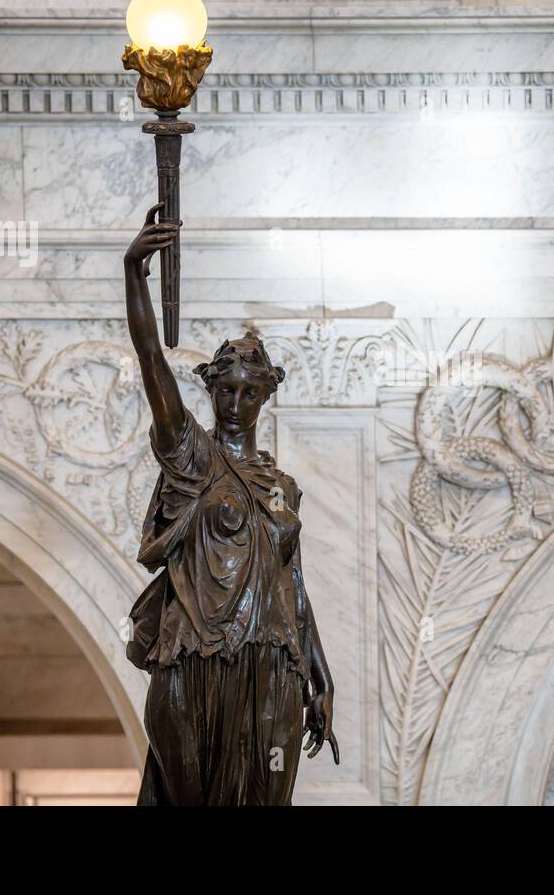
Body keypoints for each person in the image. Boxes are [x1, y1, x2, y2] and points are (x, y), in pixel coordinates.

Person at [122, 203, 337, 805]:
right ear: (211, 391)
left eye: (249, 392)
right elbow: (150, 362)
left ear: (265, 397)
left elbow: (290, 583)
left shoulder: (281, 487)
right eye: (226, 390)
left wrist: (320, 674)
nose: (236, 402)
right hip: (194, 657)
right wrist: (134, 274)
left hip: (270, 662)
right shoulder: (192, 458)